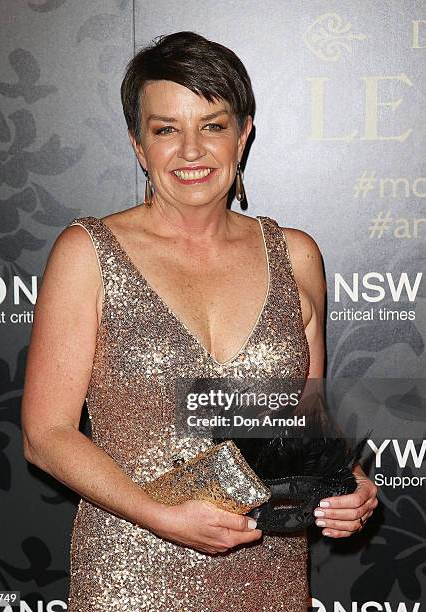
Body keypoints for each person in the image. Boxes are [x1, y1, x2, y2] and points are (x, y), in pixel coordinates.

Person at [21, 31, 378, 611]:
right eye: (166, 130)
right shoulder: (86, 252)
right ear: (139, 146)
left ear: (244, 133)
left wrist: (345, 485)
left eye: (211, 126)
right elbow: (46, 435)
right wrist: (159, 516)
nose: (191, 151)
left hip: (270, 573)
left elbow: (303, 424)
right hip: (130, 573)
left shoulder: (297, 255)